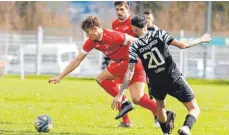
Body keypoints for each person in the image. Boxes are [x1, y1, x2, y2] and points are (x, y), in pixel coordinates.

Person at [48, 15, 157, 128]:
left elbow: (134, 40)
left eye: (88, 32)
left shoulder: (112, 35)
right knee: (137, 98)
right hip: (128, 64)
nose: (87, 35)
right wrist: (60, 76)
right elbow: (77, 59)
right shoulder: (91, 41)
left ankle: (125, 103)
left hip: (131, 63)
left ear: (95, 29)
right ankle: (162, 113)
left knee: (101, 78)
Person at [112, 15, 211, 135]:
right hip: (173, 77)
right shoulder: (159, 34)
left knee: (161, 107)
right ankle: (186, 128)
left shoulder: (134, 46)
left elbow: (130, 71)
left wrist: (121, 92)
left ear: (134, 28)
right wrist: (200, 39)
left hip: (156, 82)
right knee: (194, 108)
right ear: (145, 25)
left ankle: (165, 133)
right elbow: (182, 45)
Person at [111, 1, 159, 127]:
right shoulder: (114, 24)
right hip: (123, 63)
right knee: (111, 85)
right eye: (117, 9)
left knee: (143, 96)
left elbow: (145, 40)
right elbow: (118, 43)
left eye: (122, 9)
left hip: (138, 63)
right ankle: (126, 121)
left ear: (128, 9)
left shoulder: (135, 22)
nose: (119, 12)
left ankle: (159, 115)